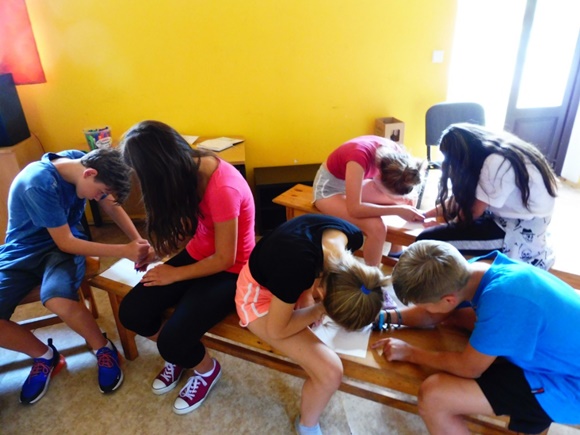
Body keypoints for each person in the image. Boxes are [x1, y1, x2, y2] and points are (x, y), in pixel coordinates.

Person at [117, 120, 255, 415]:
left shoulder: (223, 187)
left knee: (173, 340)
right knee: (132, 313)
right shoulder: (185, 172)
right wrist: (159, 253)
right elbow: (189, 229)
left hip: (231, 270)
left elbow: (225, 258)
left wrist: (174, 273)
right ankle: (180, 356)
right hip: (199, 255)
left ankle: (206, 369)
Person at [372, 240, 580, 435]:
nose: (426, 309)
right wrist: (386, 317)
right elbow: (437, 315)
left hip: (570, 385)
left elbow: (469, 368)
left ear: (448, 300)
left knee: (434, 396)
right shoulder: (471, 270)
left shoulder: (502, 300)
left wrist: (411, 353)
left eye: (425, 305)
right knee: (462, 317)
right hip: (561, 355)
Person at [0, 148, 150, 404]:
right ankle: (45, 357)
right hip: (23, 251)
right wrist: (124, 250)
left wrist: (138, 242)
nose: (99, 197)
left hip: (59, 252)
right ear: (89, 173)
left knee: (58, 300)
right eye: (100, 191)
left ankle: (103, 347)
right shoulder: (39, 183)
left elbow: (111, 205)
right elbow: (66, 242)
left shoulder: (79, 160)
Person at [235, 214, 387, 435]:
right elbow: (276, 331)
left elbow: (311, 259)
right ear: (322, 295)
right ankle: (307, 425)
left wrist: (307, 294)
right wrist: (317, 310)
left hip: (285, 276)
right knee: (330, 372)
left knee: (326, 363)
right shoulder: (296, 269)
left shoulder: (351, 236)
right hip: (256, 297)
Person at [418, 123, 558, 270]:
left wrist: (447, 227)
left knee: (426, 241)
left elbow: (473, 212)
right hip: (517, 221)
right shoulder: (497, 152)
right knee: (442, 229)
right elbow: (462, 199)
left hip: (516, 233)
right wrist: (424, 215)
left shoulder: (496, 163)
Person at [313, 135, 424, 266]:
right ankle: (371, 275)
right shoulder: (358, 158)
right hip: (329, 190)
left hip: (355, 183)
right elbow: (355, 209)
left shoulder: (399, 160)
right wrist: (397, 210)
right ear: (379, 177)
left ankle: (396, 250)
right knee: (377, 227)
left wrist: (402, 206)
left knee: (408, 200)